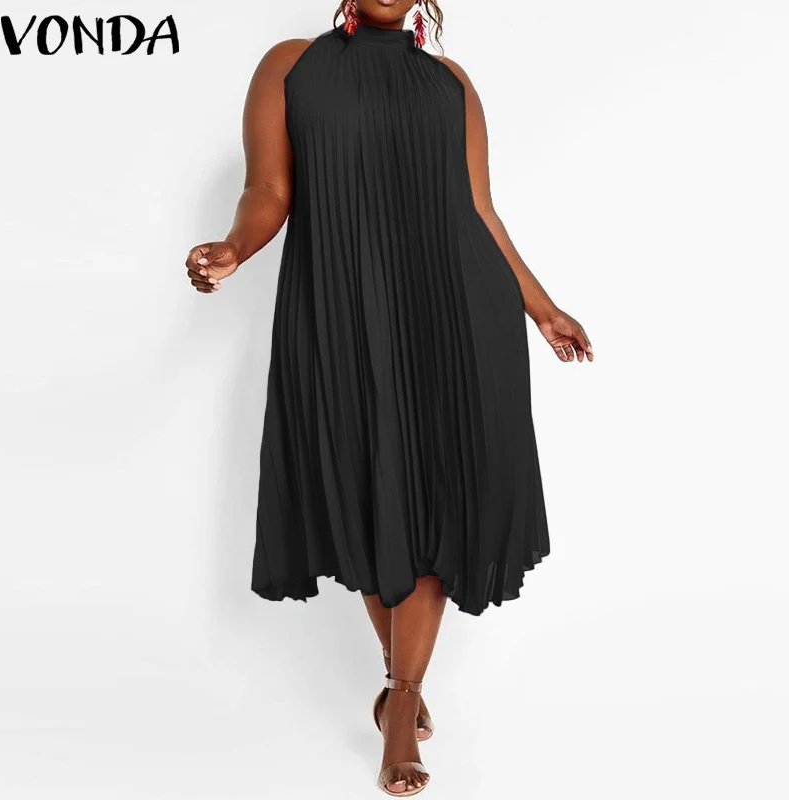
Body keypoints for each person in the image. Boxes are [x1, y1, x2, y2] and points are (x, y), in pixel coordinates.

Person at [184, 1, 593, 795]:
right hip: (340, 314)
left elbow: (479, 210)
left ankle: (400, 705)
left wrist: (541, 308)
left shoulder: (451, 84)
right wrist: (233, 248)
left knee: (435, 504)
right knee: (367, 500)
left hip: (456, 315)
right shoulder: (290, 66)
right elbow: (268, 187)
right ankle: (398, 679)